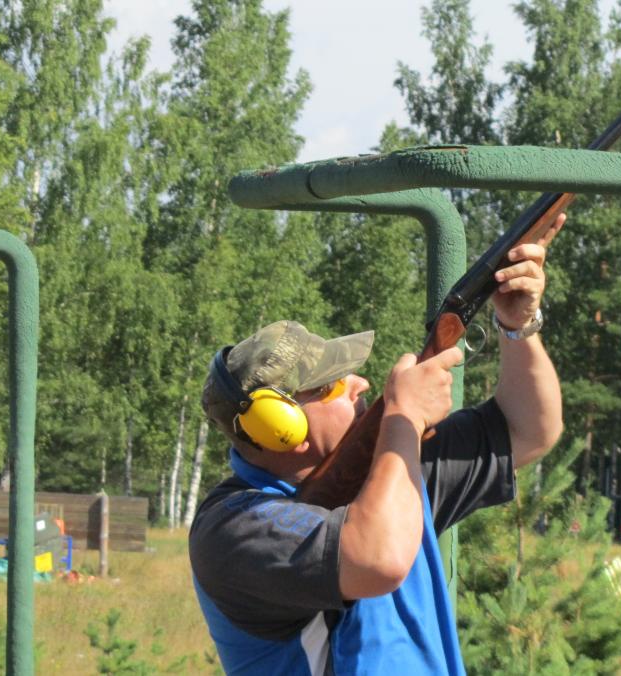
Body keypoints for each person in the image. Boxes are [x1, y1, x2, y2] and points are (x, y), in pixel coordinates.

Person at [190, 234, 563, 674]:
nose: (360, 383)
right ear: (280, 424)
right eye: (331, 384)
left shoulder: (387, 467)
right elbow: (377, 558)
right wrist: (405, 416)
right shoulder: (232, 529)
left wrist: (518, 326)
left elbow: (530, 429)